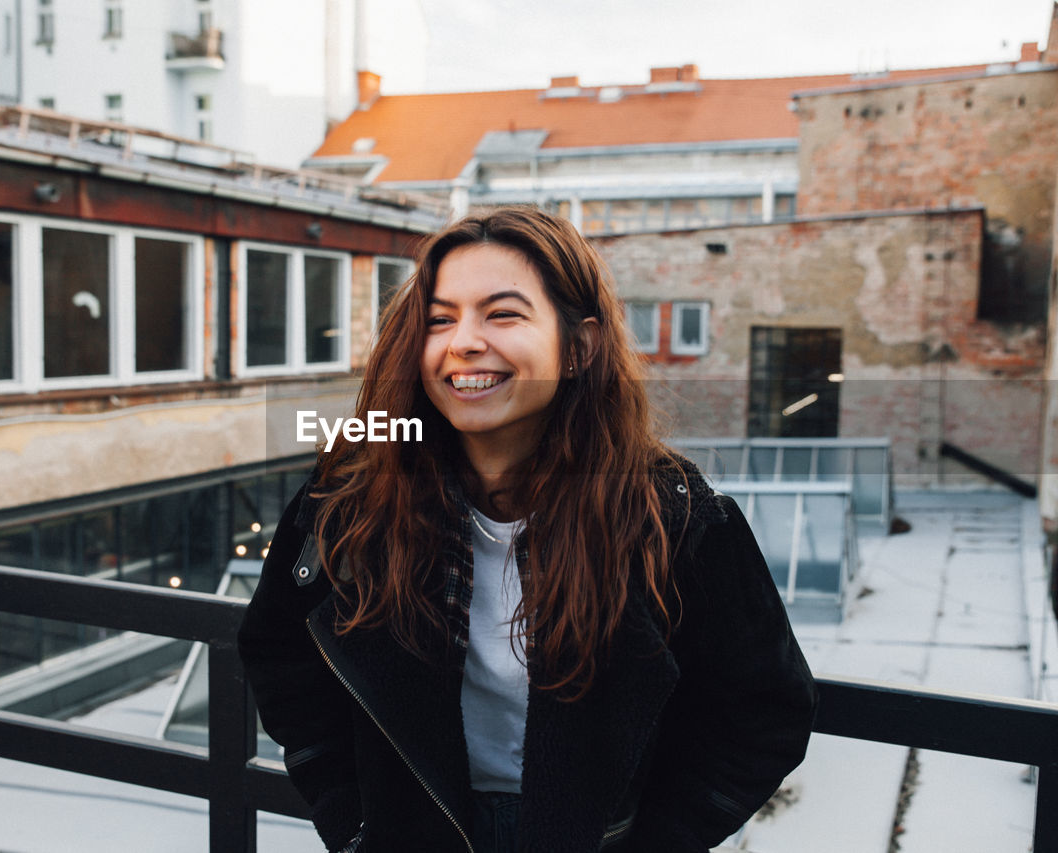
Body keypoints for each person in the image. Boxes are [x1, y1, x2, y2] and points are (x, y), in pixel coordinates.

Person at [237, 206, 817, 853]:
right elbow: (278, 649)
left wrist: (653, 839)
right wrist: (354, 817)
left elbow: (764, 708)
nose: (464, 341)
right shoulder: (348, 499)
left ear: (579, 347)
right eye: (440, 318)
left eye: (503, 313)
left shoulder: (671, 517)